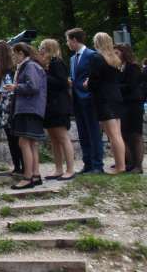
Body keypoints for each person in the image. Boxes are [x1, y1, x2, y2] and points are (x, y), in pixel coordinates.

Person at [4, 43, 47, 189]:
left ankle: (27, 177)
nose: (13, 57)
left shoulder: (29, 66)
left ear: (21, 53)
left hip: (28, 109)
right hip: (33, 109)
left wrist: (15, 87)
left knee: (23, 142)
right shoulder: (32, 65)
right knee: (32, 143)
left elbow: (33, 86)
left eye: (15, 54)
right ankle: (35, 175)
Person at [66, 28, 104, 174]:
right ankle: (87, 163)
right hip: (76, 100)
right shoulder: (72, 58)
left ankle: (97, 165)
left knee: (93, 132)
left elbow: (96, 77)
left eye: (68, 40)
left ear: (74, 40)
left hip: (89, 99)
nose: (67, 43)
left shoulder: (92, 55)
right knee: (83, 133)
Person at [87, 32, 125, 174]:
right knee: (117, 134)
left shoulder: (96, 58)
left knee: (112, 134)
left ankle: (120, 167)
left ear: (97, 43)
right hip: (116, 97)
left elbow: (94, 80)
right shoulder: (115, 59)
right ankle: (120, 164)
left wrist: (87, 84)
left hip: (104, 99)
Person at [39, 39, 75, 181]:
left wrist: (44, 77)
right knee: (53, 139)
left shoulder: (56, 63)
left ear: (48, 49)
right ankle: (58, 168)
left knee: (62, 137)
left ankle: (70, 169)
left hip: (59, 105)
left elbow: (62, 83)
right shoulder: (47, 65)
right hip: (50, 106)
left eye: (41, 47)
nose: (40, 50)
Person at [0, 40, 24, 175]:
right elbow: (1, 87)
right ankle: (17, 165)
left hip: (12, 106)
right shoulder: (2, 72)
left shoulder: (12, 70)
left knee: (16, 137)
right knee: (10, 138)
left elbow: (12, 89)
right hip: (4, 106)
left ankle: (23, 166)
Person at [115, 44, 144, 173]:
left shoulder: (133, 67)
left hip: (134, 104)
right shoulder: (119, 67)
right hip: (124, 104)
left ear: (124, 53)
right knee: (124, 134)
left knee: (135, 135)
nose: (115, 55)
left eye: (117, 53)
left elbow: (131, 85)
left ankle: (138, 165)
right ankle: (130, 162)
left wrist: (114, 87)